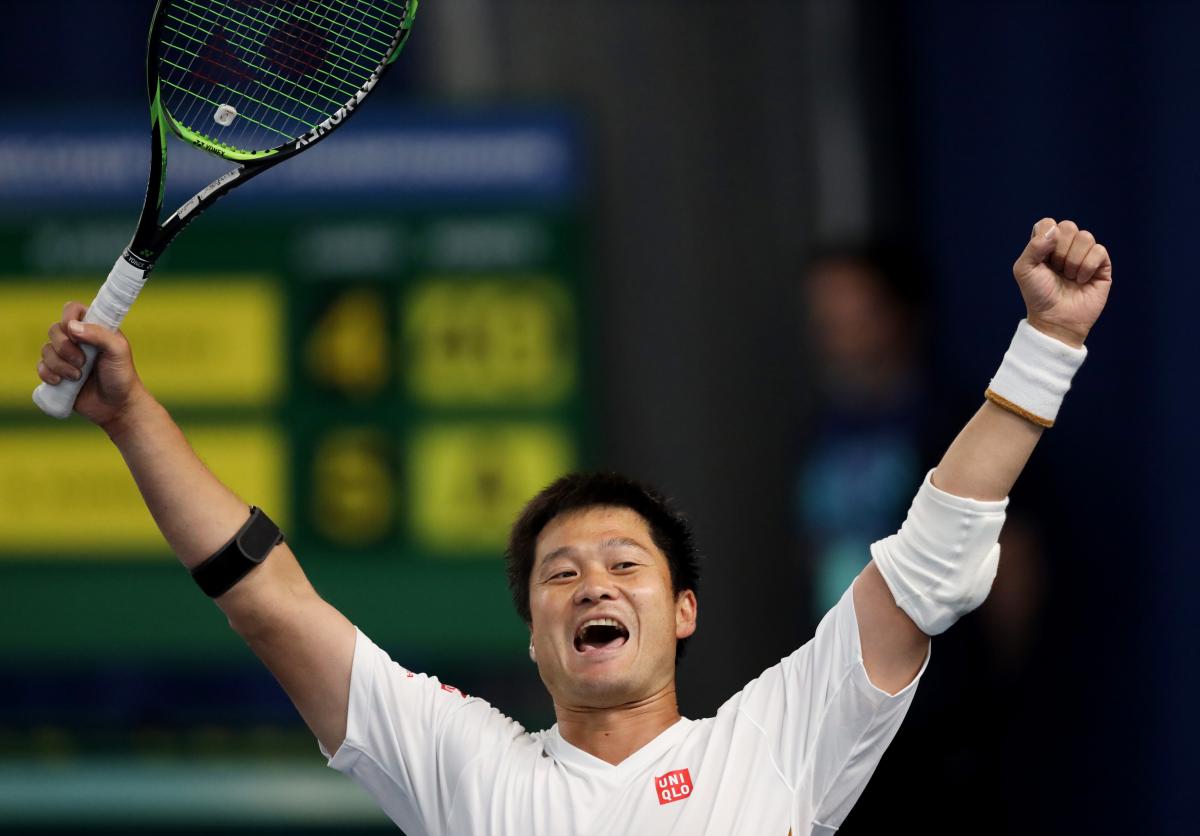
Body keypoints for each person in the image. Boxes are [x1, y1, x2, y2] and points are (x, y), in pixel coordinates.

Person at [35, 218, 1111, 835]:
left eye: (623, 562)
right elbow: (267, 599)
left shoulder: (777, 741)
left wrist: (1045, 347)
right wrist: (130, 414)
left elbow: (930, 562)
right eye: (561, 572)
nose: (593, 582)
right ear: (535, 631)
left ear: (683, 609)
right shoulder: (466, 764)